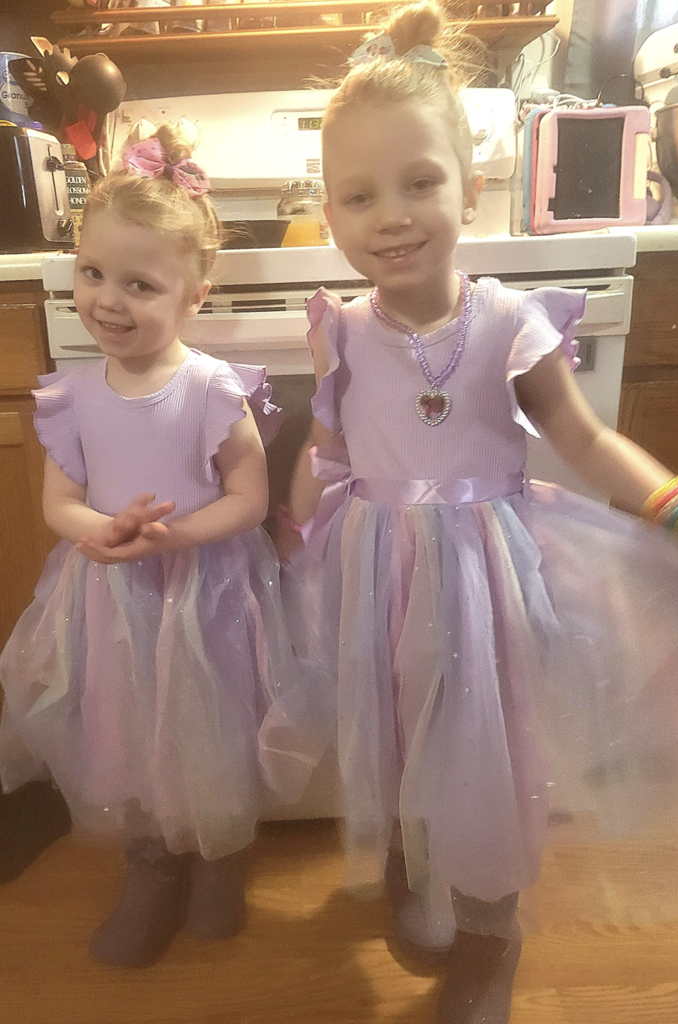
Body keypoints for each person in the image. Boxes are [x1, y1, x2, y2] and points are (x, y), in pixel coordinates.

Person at [275, 4, 678, 1021]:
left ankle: (489, 932)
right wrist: (290, 546)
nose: (391, 215)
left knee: (485, 761)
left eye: (420, 182)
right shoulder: (339, 332)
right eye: (359, 195)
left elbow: (585, 439)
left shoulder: (509, 321)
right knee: (392, 739)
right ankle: (413, 864)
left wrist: (674, 500)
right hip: (374, 579)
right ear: (330, 213)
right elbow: (327, 450)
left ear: (471, 185)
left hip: (482, 582)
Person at [0, 125, 311, 969]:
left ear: (194, 296)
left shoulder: (212, 388)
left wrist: (175, 534)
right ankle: (149, 864)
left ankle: (217, 856)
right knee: (127, 729)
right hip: (111, 596)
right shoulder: (72, 395)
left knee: (209, 730)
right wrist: (101, 532)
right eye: (92, 273)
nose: (108, 299)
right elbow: (58, 503)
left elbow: (249, 499)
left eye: (139, 284)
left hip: (205, 594)